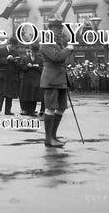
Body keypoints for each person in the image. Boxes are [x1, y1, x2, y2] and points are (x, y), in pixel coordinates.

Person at [40, 17, 74, 147]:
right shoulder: (46, 43)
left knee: (61, 108)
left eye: (61, 27)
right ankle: (48, 138)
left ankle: (53, 136)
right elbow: (56, 57)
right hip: (51, 79)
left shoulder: (57, 42)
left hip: (60, 79)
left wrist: (66, 49)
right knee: (50, 108)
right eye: (57, 28)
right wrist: (68, 49)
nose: (60, 30)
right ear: (50, 29)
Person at [0, 37, 20, 115]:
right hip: (3, 76)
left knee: (10, 94)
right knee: (1, 94)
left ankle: (7, 111)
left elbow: (18, 64)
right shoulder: (0, 51)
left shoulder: (15, 52)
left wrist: (15, 61)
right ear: (9, 44)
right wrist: (7, 59)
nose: (13, 48)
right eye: (12, 46)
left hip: (11, 76)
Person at [19, 43, 44, 117]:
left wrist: (36, 67)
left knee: (34, 95)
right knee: (26, 95)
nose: (32, 53)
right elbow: (21, 67)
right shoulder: (25, 58)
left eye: (34, 52)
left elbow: (42, 69)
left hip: (36, 79)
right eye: (31, 52)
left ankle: (32, 110)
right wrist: (27, 66)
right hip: (27, 79)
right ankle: (25, 110)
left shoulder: (40, 59)